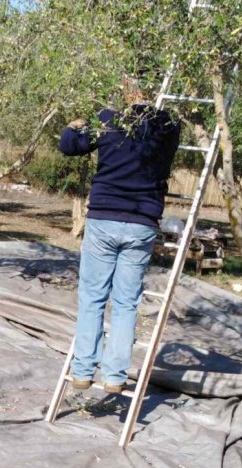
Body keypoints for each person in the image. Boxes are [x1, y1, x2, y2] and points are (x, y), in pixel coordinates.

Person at [58, 75, 181, 393]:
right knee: (126, 303)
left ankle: (83, 371)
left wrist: (73, 127)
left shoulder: (108, 120)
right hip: (142, 222)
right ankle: (114, 377)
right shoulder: (168, 126)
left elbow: (71, 147)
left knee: (93, 298)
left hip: (104, 218)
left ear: (128, 91)